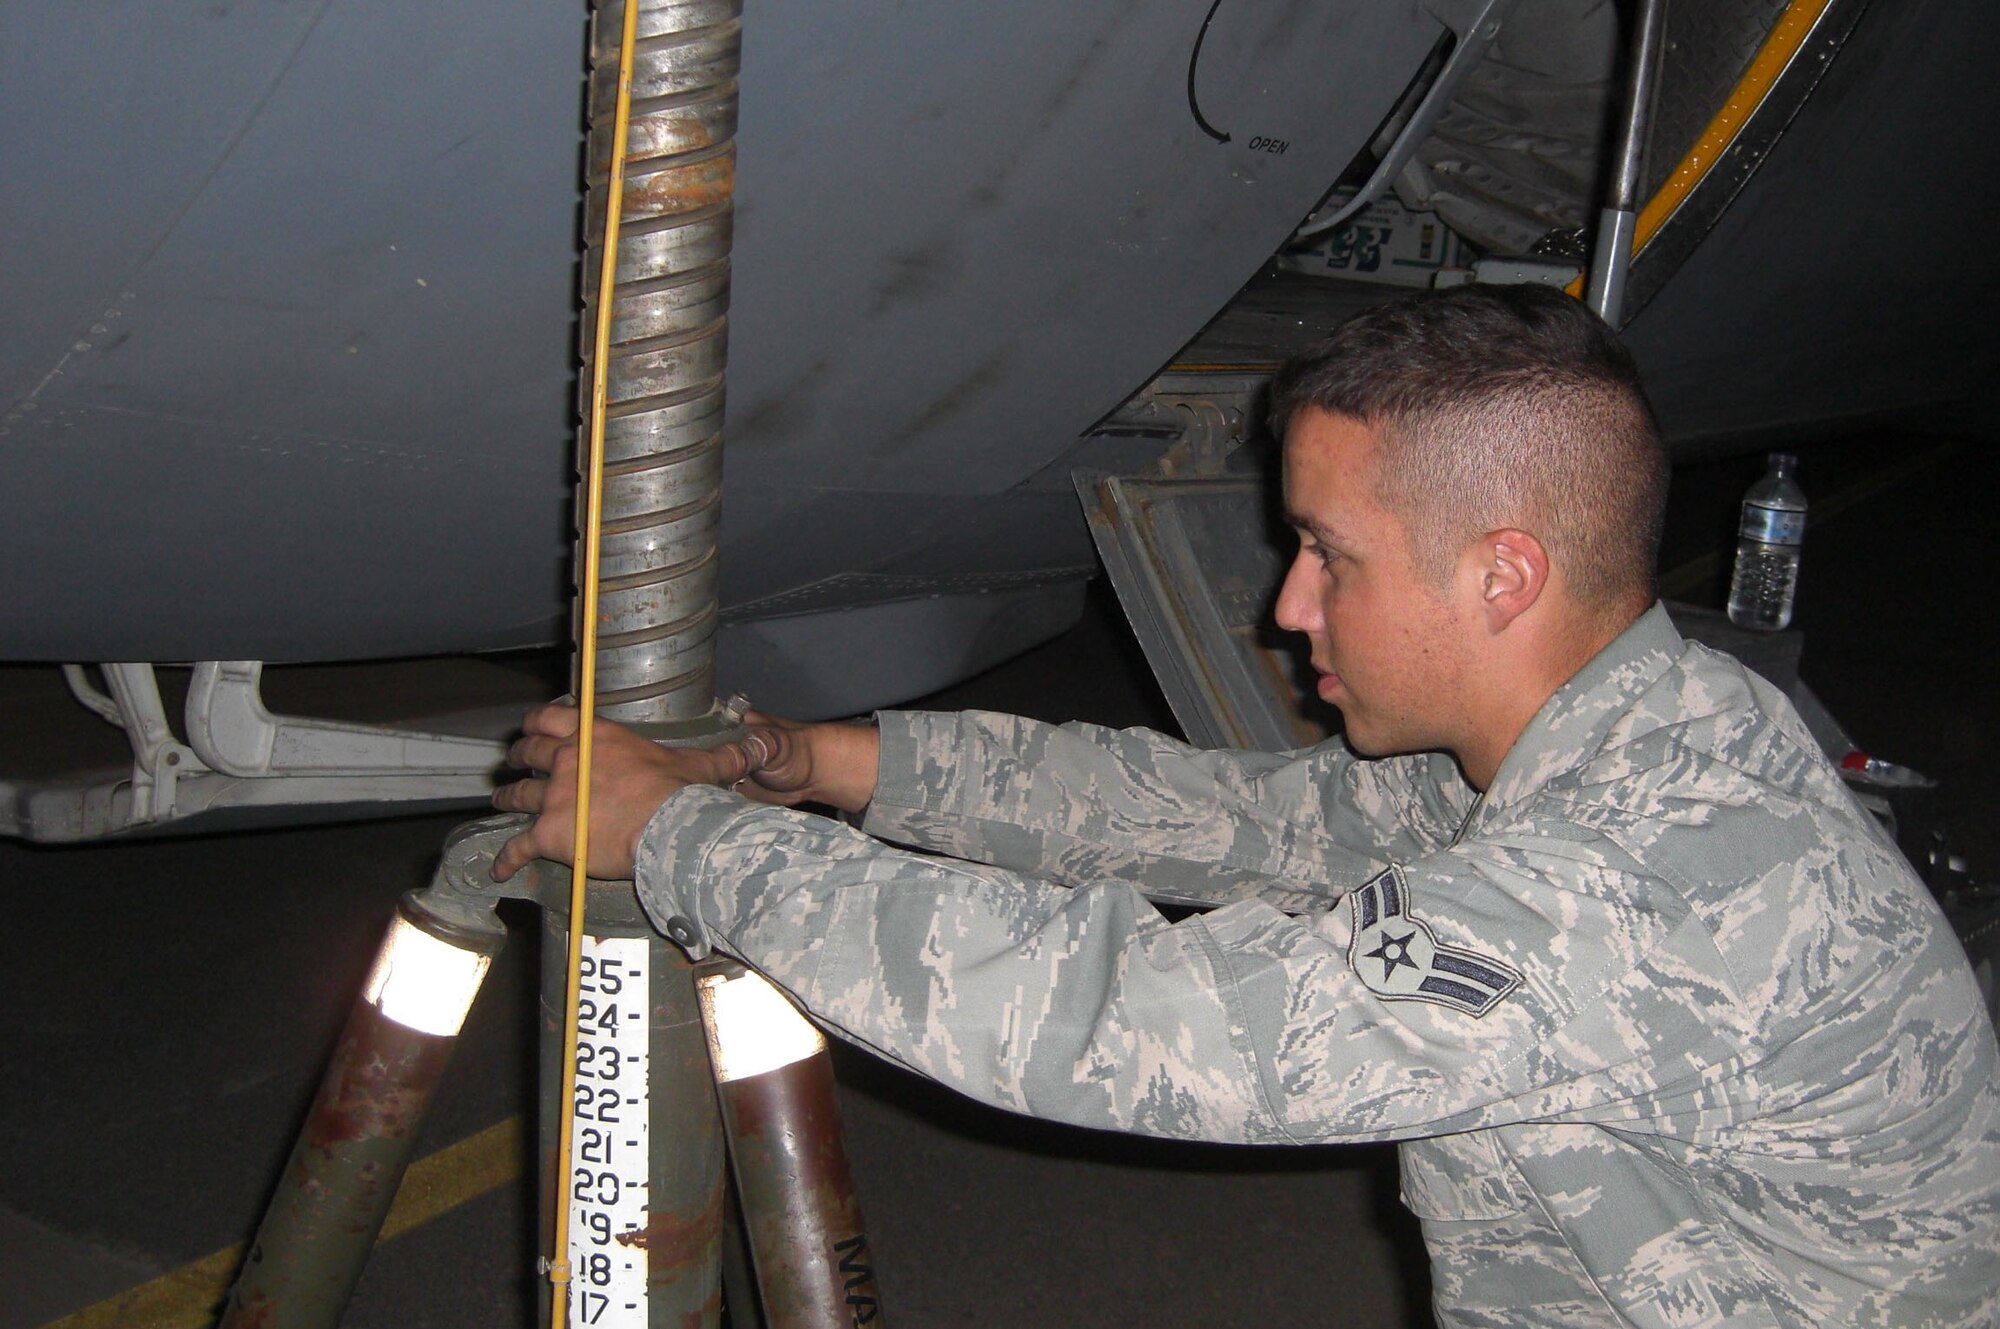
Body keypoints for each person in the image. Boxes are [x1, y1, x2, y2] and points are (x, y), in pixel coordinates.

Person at [493, 284, 2000, 1328]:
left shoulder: (1636, 882)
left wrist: (681, 838)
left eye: (1330, 553)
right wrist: (822, 764)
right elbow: (1221, 816)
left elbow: (1130, 1022)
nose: (1287, 606)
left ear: (1504, 577)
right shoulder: (1628, 722)